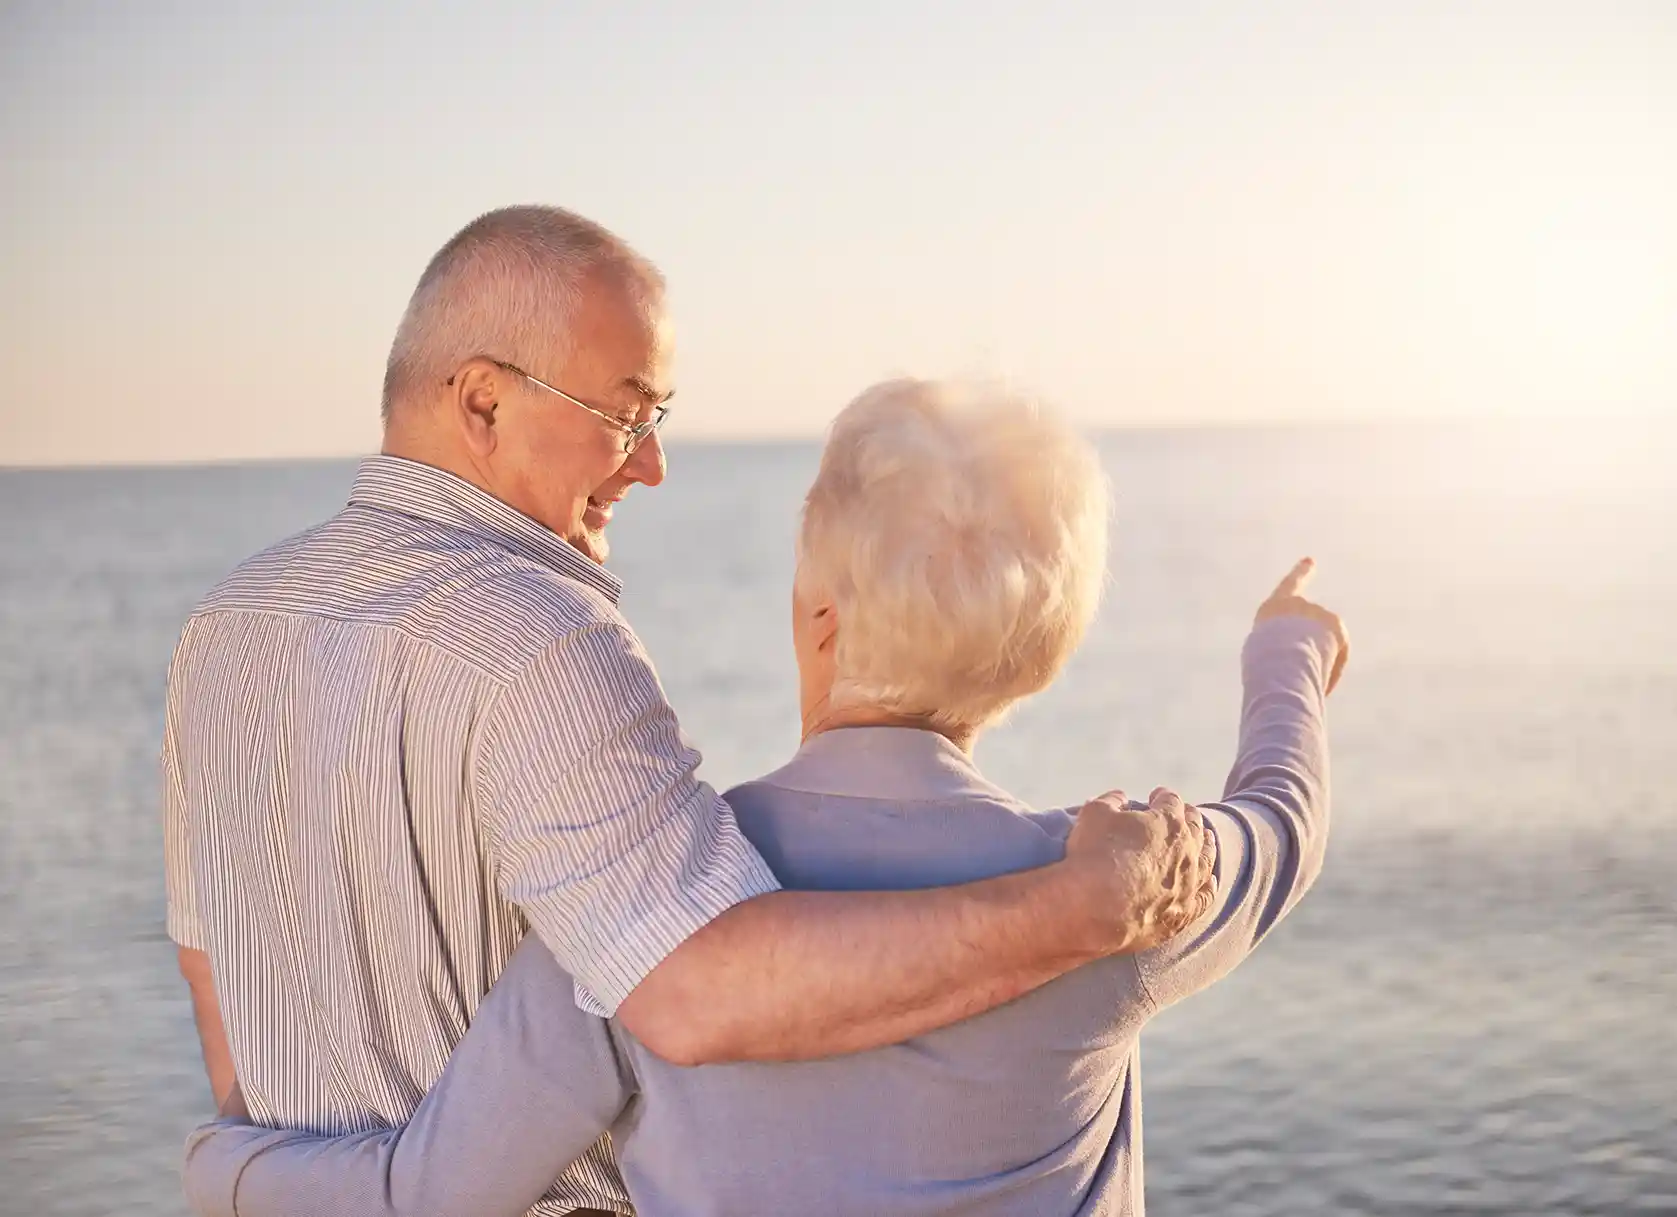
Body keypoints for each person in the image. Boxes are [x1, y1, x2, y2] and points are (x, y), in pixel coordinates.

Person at [162, 207, 1218, 1215]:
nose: (651, 463)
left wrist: (253, 1179)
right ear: (480, 401)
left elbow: (219, 993)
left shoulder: (227, 625)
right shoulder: (541, 635)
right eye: (623, 414)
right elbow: (696, 994)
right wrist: (1081, 909)